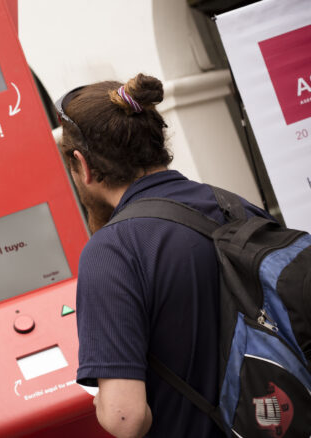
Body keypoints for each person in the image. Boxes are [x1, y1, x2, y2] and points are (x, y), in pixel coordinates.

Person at [54, 73, 270, 437]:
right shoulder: (235, 206)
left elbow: (126, 419)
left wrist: (105, 402)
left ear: (83, 165)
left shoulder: (112, 251)